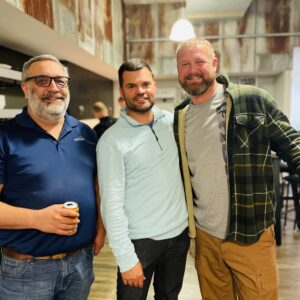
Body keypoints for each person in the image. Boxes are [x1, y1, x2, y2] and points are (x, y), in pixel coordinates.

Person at [174, 37, 300, 300]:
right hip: (205, 237)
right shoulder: (180, 115)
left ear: (215, 63)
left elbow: (293, 145)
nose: (192, 70)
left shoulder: (252, 99)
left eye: (199, 62)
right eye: (185, 64)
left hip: (251, 233)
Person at [0, 54, 105, 299]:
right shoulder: (5, 138)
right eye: (43, 80)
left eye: (60, 81)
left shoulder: (85, 134)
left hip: (81, 263)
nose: (54, 88)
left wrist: (101, 228)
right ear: (26, 88)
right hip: (26, 272)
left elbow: (97, 186)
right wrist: (38, 219)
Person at [97, 58, 190, 300]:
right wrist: (126, 259)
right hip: (139, 243)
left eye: (145, 84)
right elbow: (111, 204)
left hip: (178, 237)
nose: (140, 91)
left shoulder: (173, 123)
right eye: (131, 86)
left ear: (155, 86)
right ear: (122, 91)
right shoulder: (111, 141)